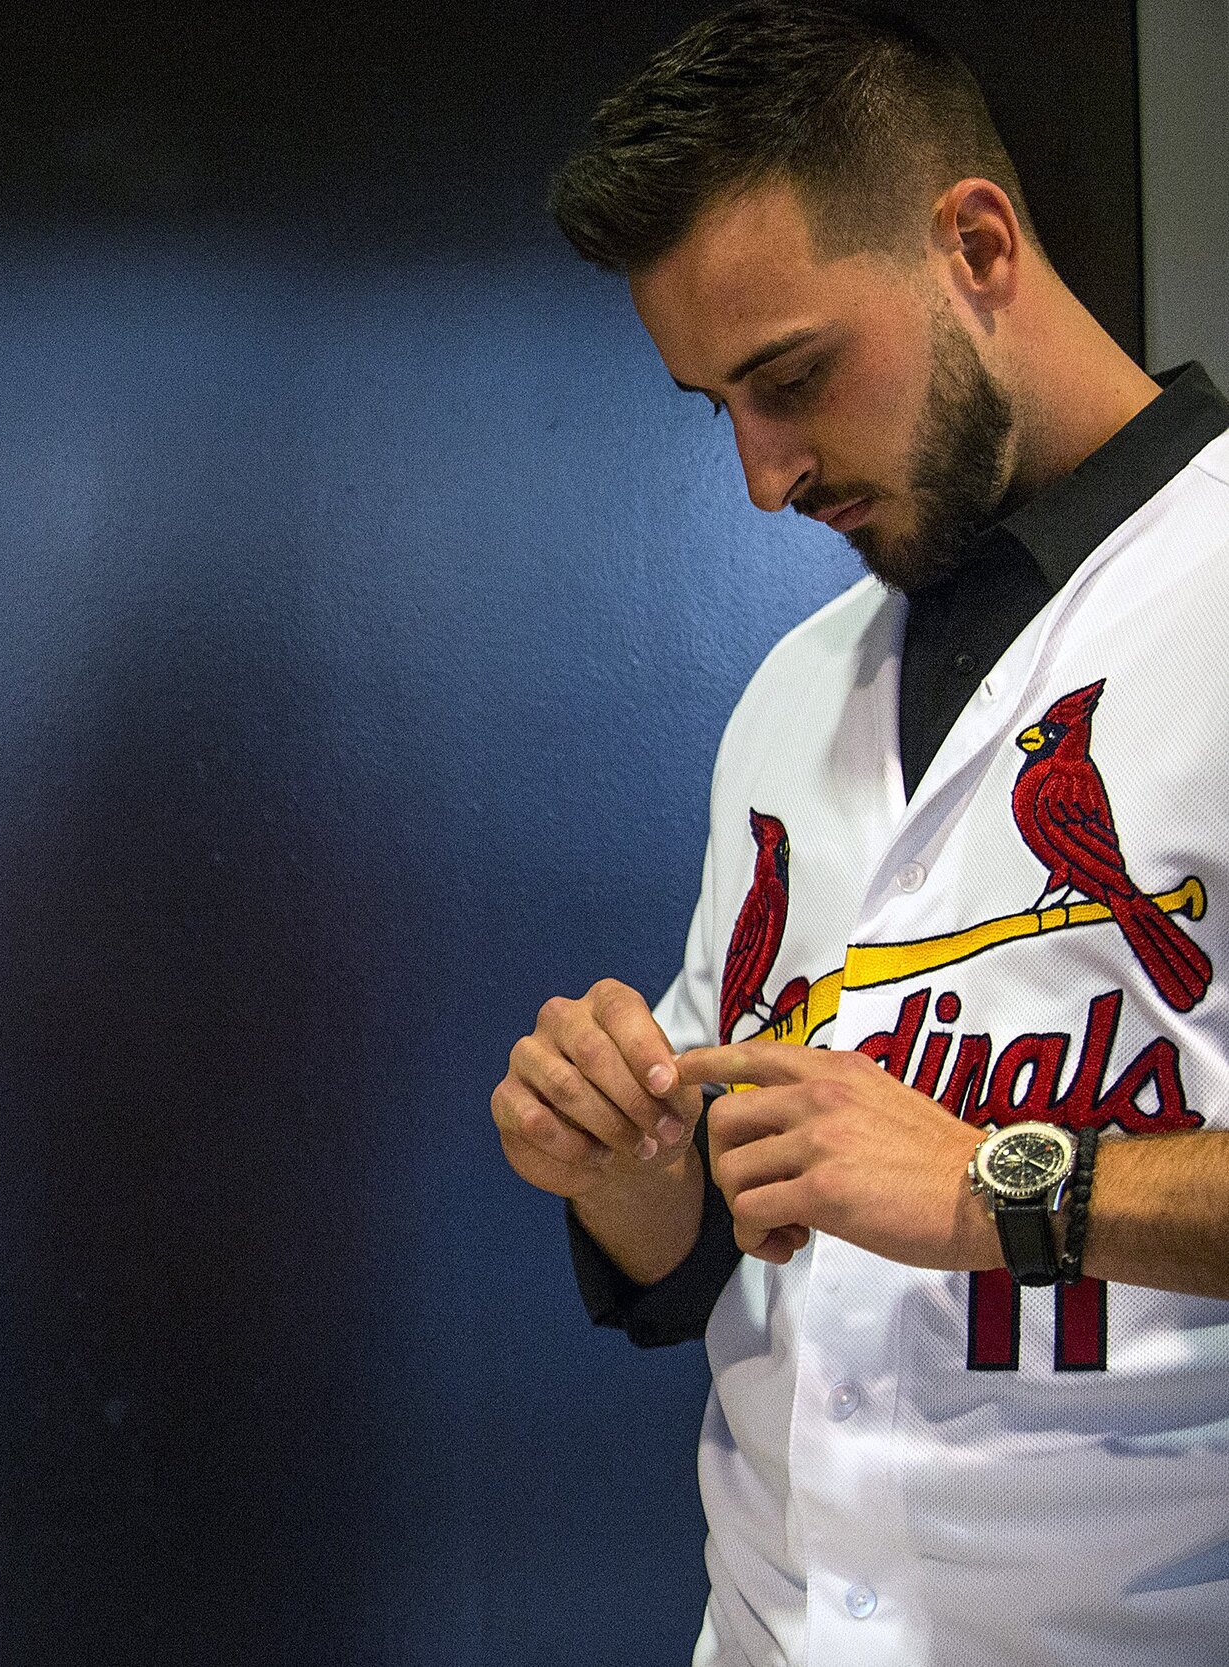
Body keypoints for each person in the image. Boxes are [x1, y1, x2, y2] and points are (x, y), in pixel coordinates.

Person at [493, 8, 1229, 1663]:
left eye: (793, 378)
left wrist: (996, 1184)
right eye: (716, 409)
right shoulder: (789, 696)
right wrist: (625, 1167)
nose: (763, 476)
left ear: (974, 242)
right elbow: (709, 1250)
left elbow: (944, 1191)